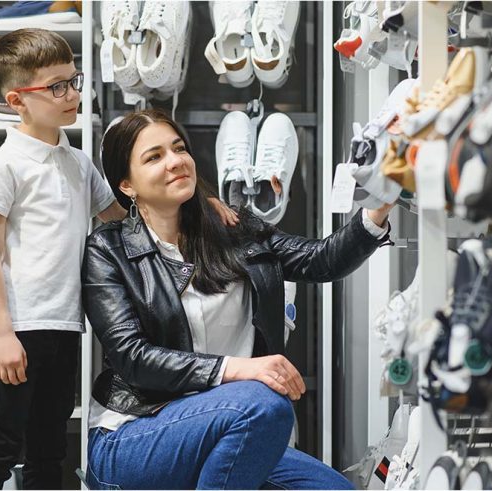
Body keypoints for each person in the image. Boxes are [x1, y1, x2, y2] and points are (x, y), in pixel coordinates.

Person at [0, 30, 235, 489]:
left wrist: (198, 202)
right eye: (57, 87)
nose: (72, 94)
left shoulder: (78, 161)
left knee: (51, 447)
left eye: (73, 81)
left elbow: (126, 214)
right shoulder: (5, 163)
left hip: (65, 327)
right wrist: (4, 333)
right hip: (16, 329)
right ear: (17, 100)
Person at [82, 109, 395, 489]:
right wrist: (237, 369)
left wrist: (382, 201)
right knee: (264, 403)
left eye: (179, 149)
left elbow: (321, 260)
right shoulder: (108, 249)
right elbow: (133, 357)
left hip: (234, 419)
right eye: (154, 157)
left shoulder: (233, 230)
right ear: (127, 185)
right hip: (138, 432)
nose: (175, 162)